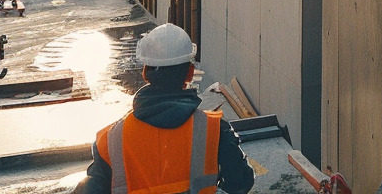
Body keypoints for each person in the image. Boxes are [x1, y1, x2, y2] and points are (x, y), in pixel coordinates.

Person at [82, 23, 254, 194]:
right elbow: (240, 183)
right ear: (189, 73)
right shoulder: (214, 130)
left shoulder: (110, 140)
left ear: (144, 73)